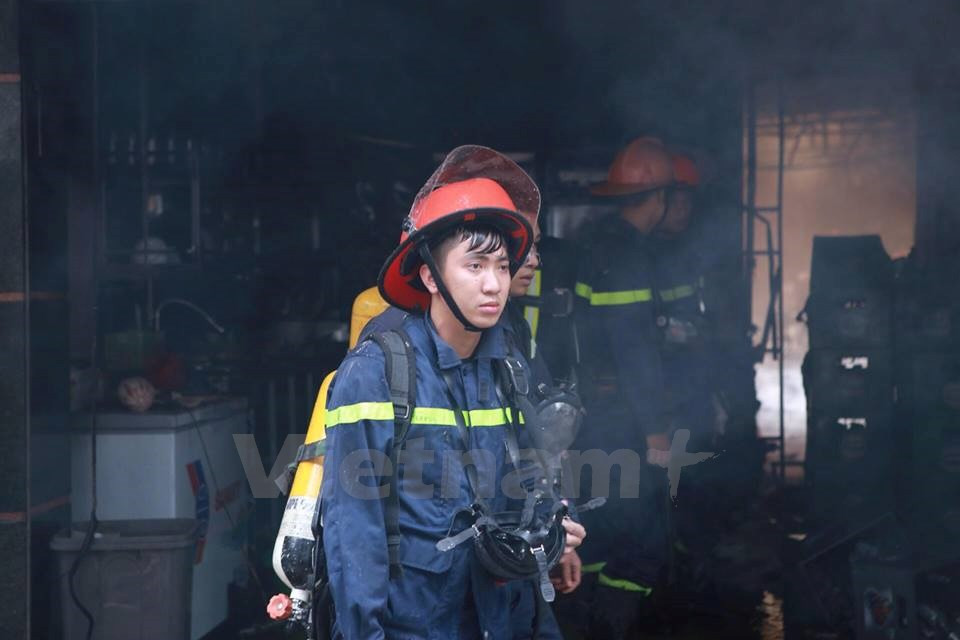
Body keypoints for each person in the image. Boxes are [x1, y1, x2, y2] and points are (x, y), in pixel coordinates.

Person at [321, 146, 579, 639]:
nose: (494, 285)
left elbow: (526, 481)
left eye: (502, 267)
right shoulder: (377, 373)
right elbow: (355, 534)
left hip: (505, 620)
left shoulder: (509, 365)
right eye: (475, 265)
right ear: (429, 275)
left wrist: (552, 530)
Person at [568, 136, 688, 638]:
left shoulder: (594, 245)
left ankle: (582, 624)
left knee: (594, 540)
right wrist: (657, 432)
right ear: (658, 198)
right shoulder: (628, 253)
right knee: (642, 548)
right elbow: (634, 350)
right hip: (623, 427)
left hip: (586, 421)